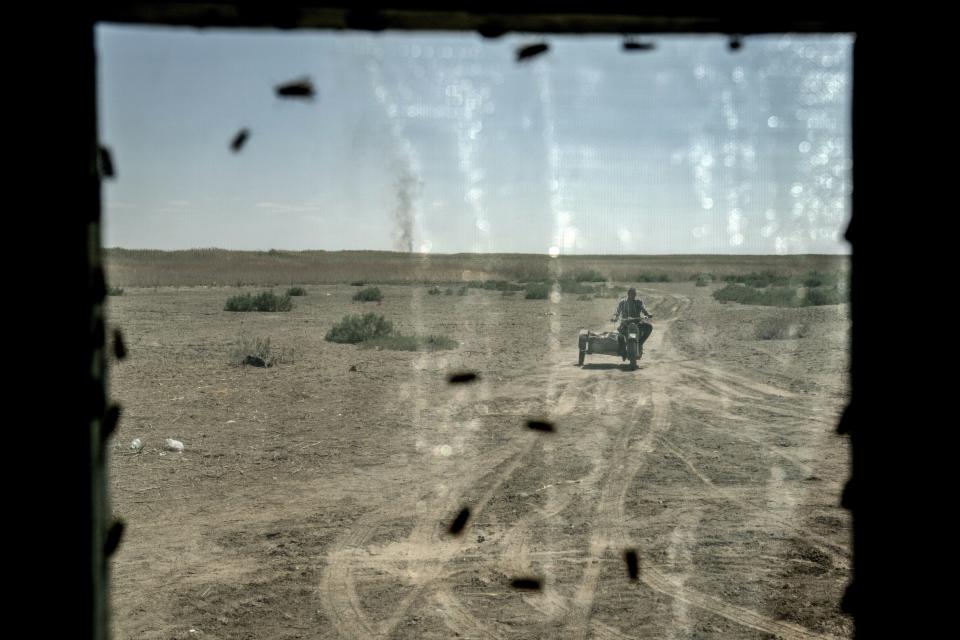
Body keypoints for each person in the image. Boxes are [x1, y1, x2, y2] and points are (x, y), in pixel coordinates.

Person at [610, 287, 653, 358]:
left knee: (649, 327)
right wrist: (614, 318)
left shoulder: (638, 302)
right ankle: (623, 351)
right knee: (620, 337)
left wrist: (648, 314)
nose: (633, 295)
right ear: (628, 294)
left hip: (637, 324)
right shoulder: (622, 302)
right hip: (625, 325)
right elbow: (617, 312)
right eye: (631, 294)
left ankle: (640, 343)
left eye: (634, 294)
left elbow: (644, 309)